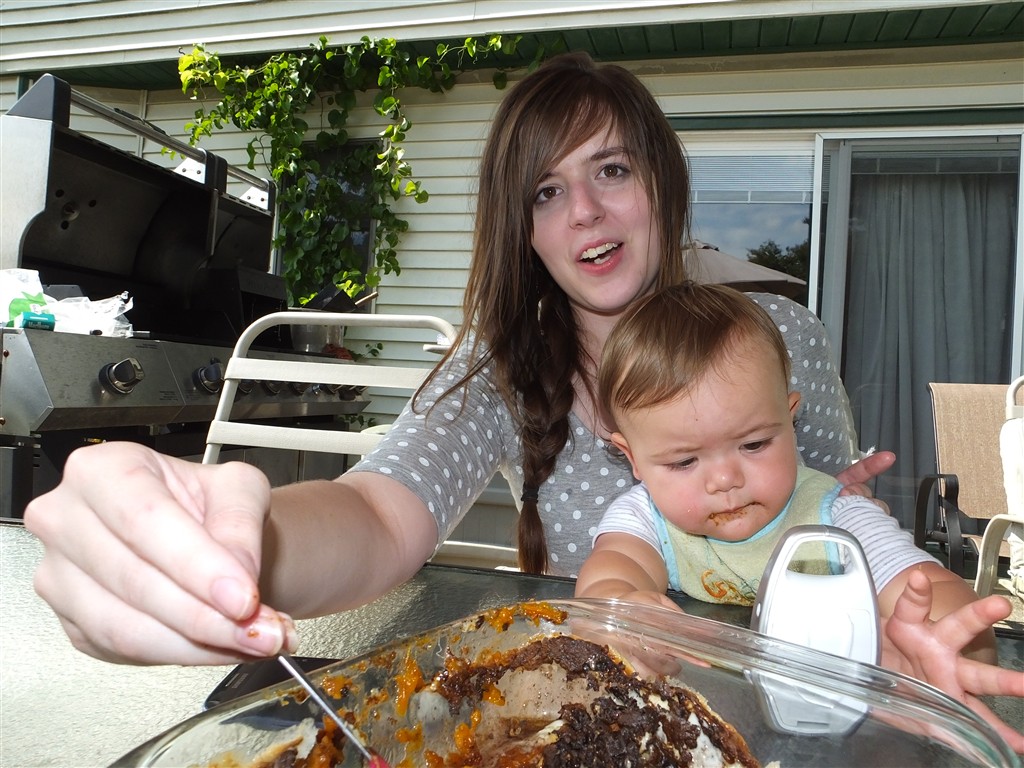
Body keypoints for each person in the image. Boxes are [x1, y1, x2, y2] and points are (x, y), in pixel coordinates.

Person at [26, 52, 896, 668]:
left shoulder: (783, 336)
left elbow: (844, 539)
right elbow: (377, 513)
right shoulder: (504, 365)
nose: (584, 211)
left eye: (612, 170)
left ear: (662, 182)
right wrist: (234, 542)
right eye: (546, 192)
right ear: (524, 231)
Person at [575, 282, 1022, 746]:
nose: (725, 479)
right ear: (633, 459)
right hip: (699, 726)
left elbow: (935, 594)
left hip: (830, 730)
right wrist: (619, 611)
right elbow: (612, 572)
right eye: (684, 462)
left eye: (754, 444)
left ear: (790, 419)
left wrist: (938, 649)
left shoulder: (837, 518)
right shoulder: (646, 515)